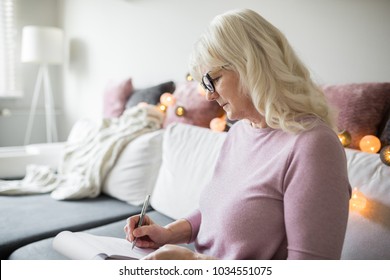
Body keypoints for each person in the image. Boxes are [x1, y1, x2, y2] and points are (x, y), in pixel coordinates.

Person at [124, 8, 351, 260]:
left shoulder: (313, 146)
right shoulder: (240, 131)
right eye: (204, 84)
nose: (209, 95)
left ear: (252, 64)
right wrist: (167, 233)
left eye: (213, 80)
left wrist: (195, 263)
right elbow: (218, 212)